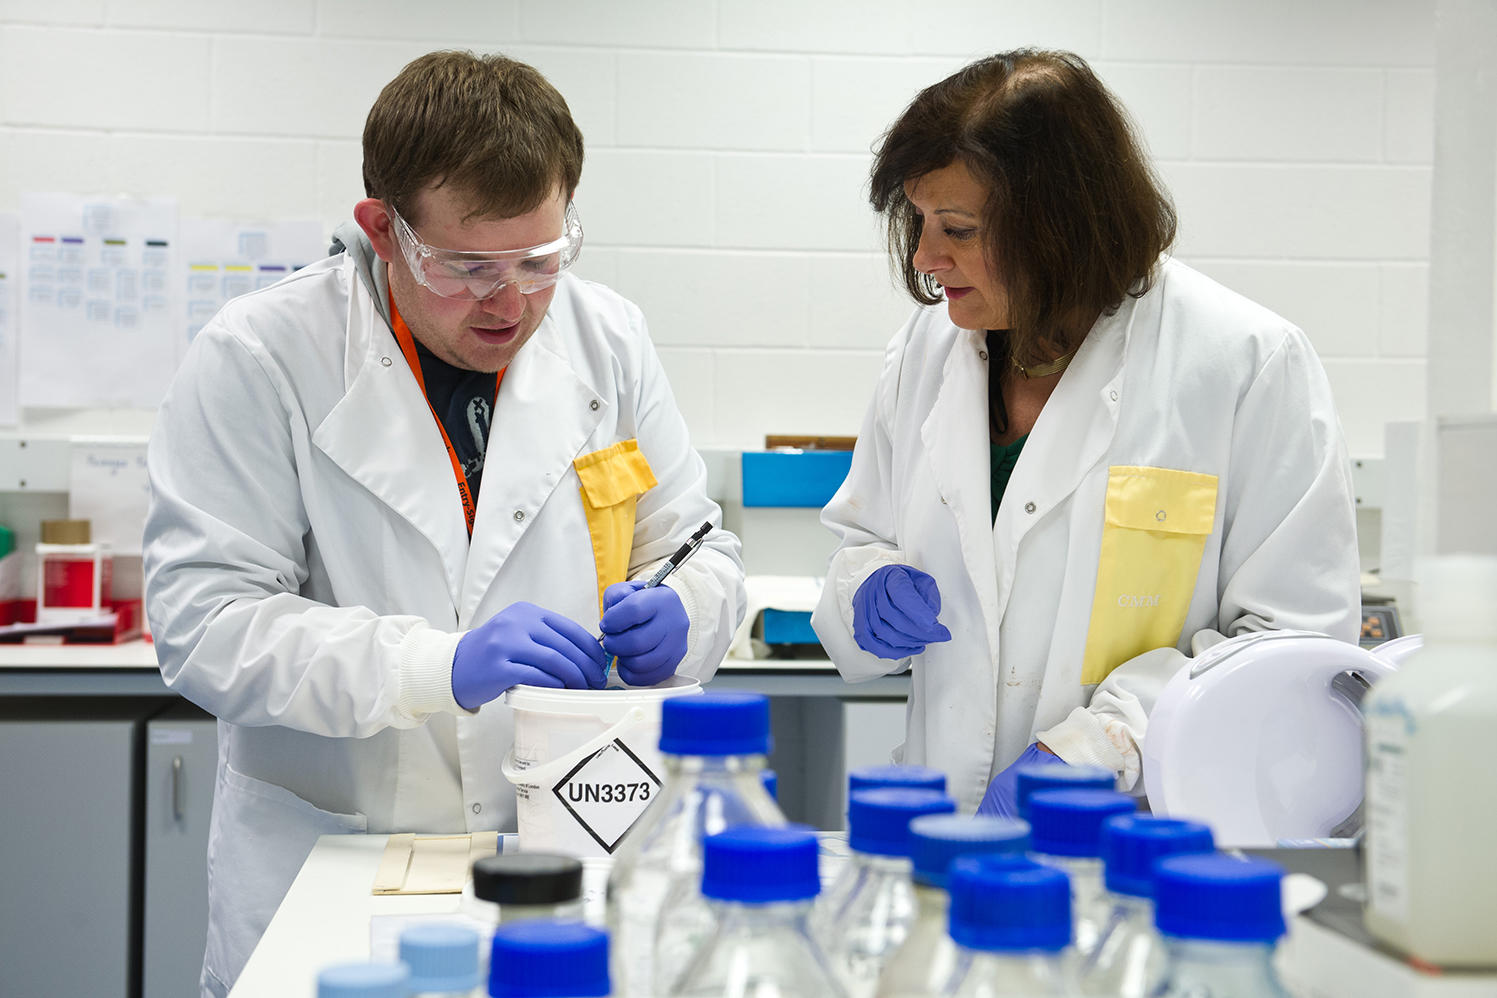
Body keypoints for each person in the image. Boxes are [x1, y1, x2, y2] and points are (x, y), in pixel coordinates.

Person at [142, 51, 745, 996]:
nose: (511, 301)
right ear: (383, 231)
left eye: (540, 260)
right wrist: (435, 666)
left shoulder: (609, 339)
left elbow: (696, 547)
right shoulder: (262, 357)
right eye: (468, 267)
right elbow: (205, 627)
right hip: (334, 863)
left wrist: (691, 613)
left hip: (563, 847)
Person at [811, 49, 1359, 817]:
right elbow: (862, 537)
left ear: (1058, 227)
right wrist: (866, 586)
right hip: (948, 829)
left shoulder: (1245, 364)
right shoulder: (927, 349)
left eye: (957, 229)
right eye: (920, 221)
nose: (925, 259)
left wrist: (1105, 746)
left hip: (1142, 833)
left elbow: (1290, 644)